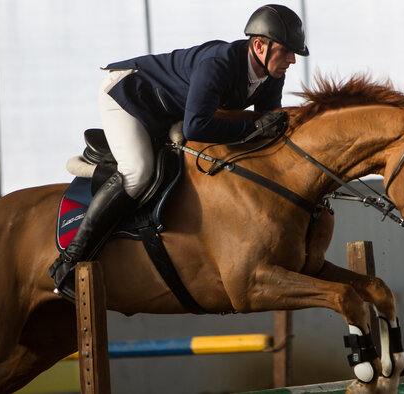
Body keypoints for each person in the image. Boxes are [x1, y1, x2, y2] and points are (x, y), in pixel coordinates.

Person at [49, 4, 309, 298]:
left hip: (167, 109)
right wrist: (251, 130)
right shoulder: (219, 63)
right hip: (128, 95)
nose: (292, 60)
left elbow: (266, 126)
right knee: (138, 172)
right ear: (260, 45)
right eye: (287, 51)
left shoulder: (272, 75)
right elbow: (197, 126)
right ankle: (69, 263)